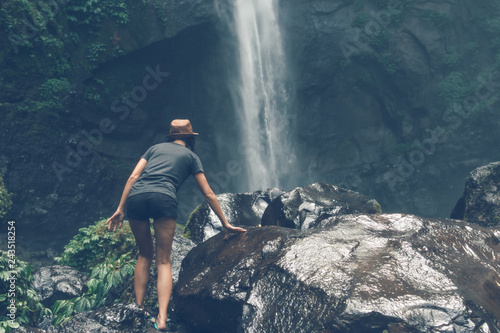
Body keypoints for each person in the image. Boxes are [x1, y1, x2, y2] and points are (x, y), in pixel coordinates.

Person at [106, 119, 246, 331]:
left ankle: (138, 308)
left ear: (171, 136)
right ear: (190, 138)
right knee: (163, 261)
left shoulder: (153, 149)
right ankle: (161, 319)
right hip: (164, 198)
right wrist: (225, 222)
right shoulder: (191, 156)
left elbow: (134, 176)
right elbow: (207, 192)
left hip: (137, 197)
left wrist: (120, 208)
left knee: (144, 254)